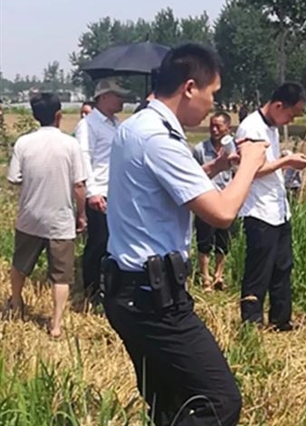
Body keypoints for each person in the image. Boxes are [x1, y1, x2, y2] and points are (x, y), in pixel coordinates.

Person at [103, 43, 267, 426]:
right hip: (154, 301)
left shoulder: (137, 127)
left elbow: (164, 187)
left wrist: (218, 167)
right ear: (190, 87)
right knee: (219, 402)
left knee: (171, 404)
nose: (213, 106)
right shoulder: (159, 139)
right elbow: (222, 213)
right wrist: (251, 164)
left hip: (129, 291)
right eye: (213, 94)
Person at [7, 93, 87, 338]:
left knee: (20, 264)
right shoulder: (70, 144)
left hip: (30, 216)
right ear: (58, 115)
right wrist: (81, 215)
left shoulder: (23, 143)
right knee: (61, 275)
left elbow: (14, 178)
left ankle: (16, 302)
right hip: (60, 220)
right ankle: (56, 324)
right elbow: (79, 185)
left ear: (35, 116)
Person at [236, 82, 306, 331]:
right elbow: (250, 170)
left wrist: (283, 161)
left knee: (282, 267)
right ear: (279, 106)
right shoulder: (251, 128)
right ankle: (251, 323)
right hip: (259, 211)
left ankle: (281, 319)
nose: (291, 120)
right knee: (259, 270)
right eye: (291, 114)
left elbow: (268, 165)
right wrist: (286, 162)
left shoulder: (272, 128)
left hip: (278, 209)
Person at [75, 79, 129, 301]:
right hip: (100, 192)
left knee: (114, 242)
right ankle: (92, 290)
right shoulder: (89, 125)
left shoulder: (116, 124)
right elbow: (84, 158)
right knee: (98, 242)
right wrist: (92, 192)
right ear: (104, 96)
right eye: (118, 96)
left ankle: (109, 287)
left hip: (117, 191)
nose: (122, 100)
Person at [192, 111, 235, 291]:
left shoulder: (233, 150)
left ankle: (219, 275)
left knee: (223, 241)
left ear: (228, 128)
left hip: (226, 201)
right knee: (204, 241)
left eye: (219, 126)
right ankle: (205, 278)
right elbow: (192, 175)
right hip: (206, 202)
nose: (214, 130)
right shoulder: (199, 149)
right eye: (212, 126)